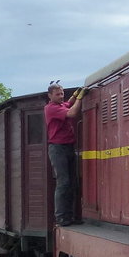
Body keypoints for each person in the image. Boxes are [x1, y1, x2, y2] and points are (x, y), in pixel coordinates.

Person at [45, 80, 85, 226]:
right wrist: (80, 98)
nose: (61, 96)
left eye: (62, 93)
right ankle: (61, 217)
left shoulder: (61, 105)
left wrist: (74, 95)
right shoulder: (51, 108)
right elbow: (73, 112)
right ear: (50, 95)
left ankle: (72, 216)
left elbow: (68, 104)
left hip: (68, 147)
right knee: (63, 183)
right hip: (58, 148)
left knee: (73, 182)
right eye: (58, 94)